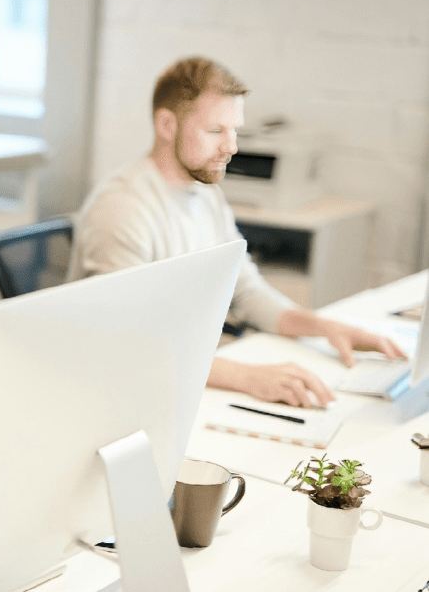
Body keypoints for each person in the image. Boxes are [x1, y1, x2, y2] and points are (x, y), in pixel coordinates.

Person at [66, 56, 406, 409]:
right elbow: (128, 341)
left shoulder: (205, 193)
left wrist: (326, 328)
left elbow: (244, 290)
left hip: (181, 374)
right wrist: (249, 378)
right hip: (124, 392)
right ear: (167, 124)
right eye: (216, 131)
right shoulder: (124, 207)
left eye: (235, 131)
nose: (231, 148)